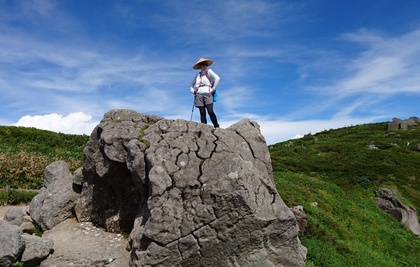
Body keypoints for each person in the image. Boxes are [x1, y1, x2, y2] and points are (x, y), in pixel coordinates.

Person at [189, 58, 220, 128]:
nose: (205, 66)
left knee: (210, 111)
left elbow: (217, 78)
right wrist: (193, 91)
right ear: (200, 66)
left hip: (208, 94)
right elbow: (191, 84)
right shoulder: (198, 75)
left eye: (206, 65)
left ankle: (216, 126)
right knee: (202, 113)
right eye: (203, 65)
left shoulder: (209, 72)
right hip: (199, 95)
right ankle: (205, 128)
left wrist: (213, 89)